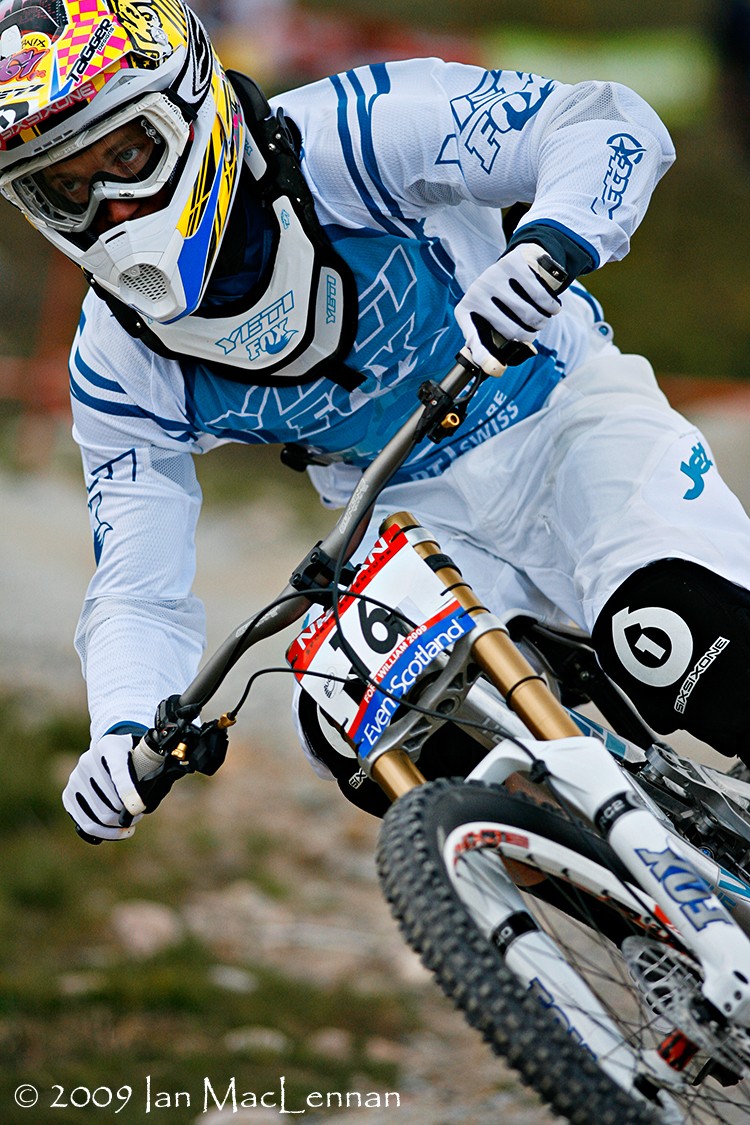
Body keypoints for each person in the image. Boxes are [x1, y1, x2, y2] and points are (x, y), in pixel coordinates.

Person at [2, 0, 750, 840]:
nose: (107, 206)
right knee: (351, 720)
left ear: (188, 105)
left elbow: (606, 121)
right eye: (64, 187)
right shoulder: (116, 362)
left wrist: (550, 244)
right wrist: (123, 725)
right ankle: (606, 920)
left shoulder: (352, 134)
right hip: (408, 524)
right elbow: (137, 586)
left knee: (674, 632)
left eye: (126, 153)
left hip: (563, 420)